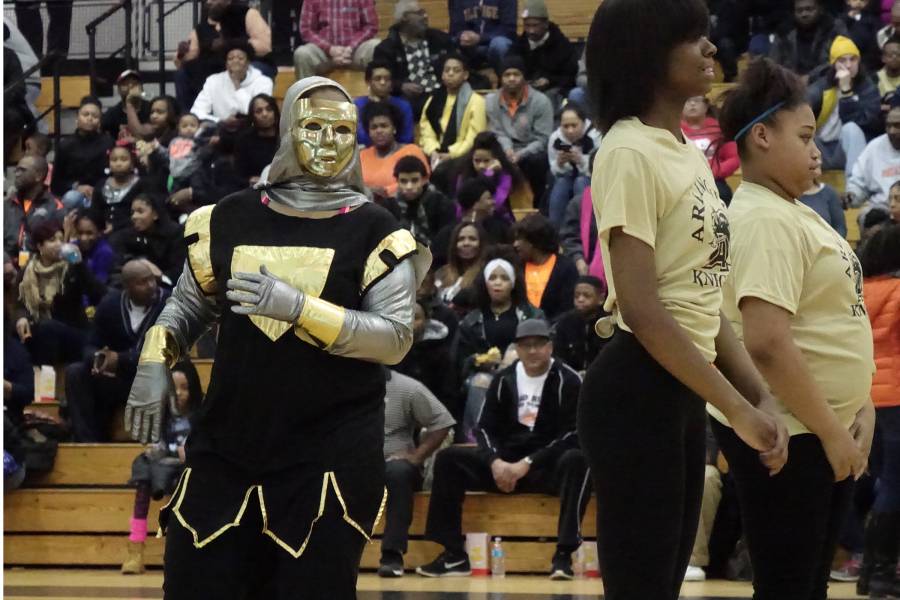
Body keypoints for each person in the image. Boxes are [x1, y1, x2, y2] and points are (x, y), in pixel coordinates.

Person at [123, 77, 427, 598]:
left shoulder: (378, 229)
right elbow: (186, 307)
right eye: (313, 127)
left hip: (329, 452)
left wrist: (299, 308)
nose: (329, 142)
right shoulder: (228, 217)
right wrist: (154, 358)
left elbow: (395, 338)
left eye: (341, 130)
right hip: (226, 444)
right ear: (288, 130)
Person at [579, 4, 789, 600]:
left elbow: (704, 302)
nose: (709, 51)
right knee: (643, 583)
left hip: (680, 385)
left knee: (664, 583)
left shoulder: (687, 154)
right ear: (648, 53)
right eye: (691, 39)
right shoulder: (626, 151)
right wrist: (739, 411)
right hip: (636, 386)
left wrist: (760, 395)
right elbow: (644, 309)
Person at [713, 57, 875, 600]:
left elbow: (834, 318)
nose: (816, 152)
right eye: (804, 136)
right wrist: (833, 431)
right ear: (761, 136)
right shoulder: (761, 218)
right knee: (788, 589)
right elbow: (765, 341)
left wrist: (862, 406)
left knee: (807, 588)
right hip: (794, 433)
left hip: (822, 429)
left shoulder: (795, 211)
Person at [417, 318, 590, 580]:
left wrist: (528, 463)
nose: (532, 351)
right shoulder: (503, 379)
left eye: (539, 345)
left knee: (578, 460)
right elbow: (483, 429)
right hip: (504, 466)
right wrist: (495, 463)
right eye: (526, 345)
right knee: (449, 458)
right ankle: (454, 554)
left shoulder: (569, 380)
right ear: (517, 349)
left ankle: (564, 554)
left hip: (545, 468)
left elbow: (573, 434)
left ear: (550, 347)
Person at [65, 259, 169, 442]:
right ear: (127, 287)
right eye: (142, 282)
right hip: (120, 379)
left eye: (151, 280)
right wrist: (98, 358)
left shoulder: (168, 304)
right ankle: (88, 444)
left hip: (154, 377)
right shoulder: (110, 304)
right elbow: (90, 344)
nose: (151, 286)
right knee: (75, 372)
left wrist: (121, 359)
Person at [121, 359, 202, 574]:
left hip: (186, 469)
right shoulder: (163, 415)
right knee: (143, 470)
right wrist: (154, 449)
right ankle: (135, 549)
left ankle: (180, 551)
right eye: (174, 388)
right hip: (164, 464)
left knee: (183, 484)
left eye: (184, 388)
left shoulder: (199, 416)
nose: (179, 393)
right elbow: (159, 443)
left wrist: (192, 451)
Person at [378, 368, 456, 577]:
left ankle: (392, 554)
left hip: (393, 463)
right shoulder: (343, 388)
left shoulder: (407, 387)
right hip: (352, 463)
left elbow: (442, 422)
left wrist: (416, 456)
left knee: (399, 472)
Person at [857, 223, 900, 600]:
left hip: (868, 397)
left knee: (882, 483)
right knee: (895, 486)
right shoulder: (899, 292)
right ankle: (884, 574)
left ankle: (869, 572)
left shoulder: (858, 291)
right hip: (898, 396)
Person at [16, 220, 106, 366]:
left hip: (75, 332)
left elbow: (98, 295)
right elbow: (18, 304)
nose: (59, 244)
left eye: (61, 239)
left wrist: (80, 265)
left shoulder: (73, 268)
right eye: (52, 240)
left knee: (47, 327)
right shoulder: (27, 272)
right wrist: (21, 318)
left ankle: (48, 381)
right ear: (40, 246)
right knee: (18, 334)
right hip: (42, 330)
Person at [174, 0, 272, 111]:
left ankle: (253, 113)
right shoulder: (201, 28)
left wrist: (228, 44)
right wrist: (181, 53)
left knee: (252, 67)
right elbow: (185, 59)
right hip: (215, 67)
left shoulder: (248, 14)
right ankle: (188, 119)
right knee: (182, 73)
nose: (209, 2)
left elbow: (264, 46)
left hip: (250, 62)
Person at [807, 36, 881, 176]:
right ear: (833, 64)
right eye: (842, 60)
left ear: (859, 61)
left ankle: (854, 187)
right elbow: (803, 109)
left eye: (853, 59)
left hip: (854, 149)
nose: (848, 65)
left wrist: (846, 92)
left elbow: (866, 122)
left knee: (851, 129)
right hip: (821, 149)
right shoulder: (822, 86)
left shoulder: (868, 88)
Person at [486, 55, 554, 204]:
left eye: (516, 74)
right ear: (500, 77)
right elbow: (497, 132)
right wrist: (508, 150)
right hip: (504, 149)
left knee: (538, 161)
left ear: (524, 77)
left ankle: (539, 205)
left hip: (531, 150)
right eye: (507, 75)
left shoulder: (541, 101)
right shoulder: (491, 101)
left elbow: (542, 138)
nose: (511, 79)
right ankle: (497, 207)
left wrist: (520, 154)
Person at [373, 0, 453, 116]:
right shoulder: (386, 49)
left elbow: (456, 61)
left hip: (441, 91)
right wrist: (401, 86)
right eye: (419, 13)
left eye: (424, 12)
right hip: (409, 98)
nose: (425, 16)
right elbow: (379, 80)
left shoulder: (440, 39)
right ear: (405, 17)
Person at [419, 53, 488, 167]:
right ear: (442, 75)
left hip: (464, 156)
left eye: (456, 70)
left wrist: (452, 154)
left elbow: (474, 137)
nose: (450, 73)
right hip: (435, 154)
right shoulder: (433, 99)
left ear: (465, 75)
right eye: (447, 70)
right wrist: (433, 150)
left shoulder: (476, 101)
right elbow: (426, 130)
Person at [395, 300, 459, 418]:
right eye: (403, 316)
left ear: (426, 321)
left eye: (415, 318)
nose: (409, 323)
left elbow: (448, 394)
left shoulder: (439, 353)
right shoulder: (388, 349)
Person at [51, 97, 115, 211]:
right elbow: (56, 184)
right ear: (77, 117)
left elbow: (113, 175)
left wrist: (97, 189)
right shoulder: (65, 145)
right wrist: (76, 187)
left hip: (102, 192)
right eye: (86, 114)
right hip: (75, 194)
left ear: (100, 121)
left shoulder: (108, 143)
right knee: (71, 198)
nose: (90, 118)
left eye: (95, 116)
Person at [512, 214, 579, 322]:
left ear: (533, 241)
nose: (515, 244)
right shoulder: (516, 267)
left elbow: (568, 308)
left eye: (520, 239)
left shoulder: (565, 267)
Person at [109, 194, 186, 287]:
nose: (134, 216)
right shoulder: (127, 235)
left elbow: (179, 270)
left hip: (168, 287)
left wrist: (160, 277)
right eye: (132, 212)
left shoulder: (175, 233)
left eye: (140, 211)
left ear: (155, 214)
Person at [294, 0, 380, 81]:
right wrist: (330, 49)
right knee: (302, 53)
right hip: (324, 54)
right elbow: (306, 30)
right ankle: (306, 94)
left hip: (354, 52)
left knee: (377, 46)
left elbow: (371, 26)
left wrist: (351, 47)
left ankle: (377, 95)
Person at [359, 101, 430, 199]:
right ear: (369, 132)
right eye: (374, 127)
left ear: (394, 128)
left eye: (384, 126)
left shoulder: (411, 151)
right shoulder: (362, 155)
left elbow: (423, 180)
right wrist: (370, 192)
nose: (379, 131)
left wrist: (385, 192)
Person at [512, 0, 578, 104]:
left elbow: (570, 76)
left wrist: (549, 80)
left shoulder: (561, 45)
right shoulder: (519, 45)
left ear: (546, 24)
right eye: (527, 25)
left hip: (554, 91)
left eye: (535, 25)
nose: (531, 31)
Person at [191, 42, 274, 124]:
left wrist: (237, 85)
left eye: (240, 58)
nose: (235, 61)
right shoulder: (213, 81)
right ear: (226, 64)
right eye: (231, 58)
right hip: (222, 129)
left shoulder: (263, 81)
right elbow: (196, 111)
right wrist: (220, 121)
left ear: (248, 62)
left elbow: (258, 112)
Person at [547, 103, 602, 227]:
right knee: (560, 185)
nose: (570, 130)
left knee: (581, 182)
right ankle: (555, 232)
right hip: (566, 177)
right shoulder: (555, 138)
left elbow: (601, 169)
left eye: (574, 125)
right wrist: (560, 163)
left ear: (583, 123)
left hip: (592, 178)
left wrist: (581, 160)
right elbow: (553, 169)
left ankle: (586, 229)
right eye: (565, 126)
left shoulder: (596, 135)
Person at [455, 131, 532, 218]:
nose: (481, 166)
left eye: (486, 161)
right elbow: (459, 210)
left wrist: (489, 174)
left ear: (496, 160)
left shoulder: (505, 176)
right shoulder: (464, 176)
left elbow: (496, 205)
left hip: (498, 222)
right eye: (477, 160)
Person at [681, 95, 741, 205]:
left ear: (706, 106)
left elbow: (733, 157)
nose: (692, 104)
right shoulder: (674, 130)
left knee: (723, 194)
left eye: (697, 101)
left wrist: (714, 171)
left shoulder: (720, 129)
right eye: (688, 100)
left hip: (714, 180)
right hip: (683, 181)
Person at [388, 155, 456, 248]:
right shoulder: (390, 206)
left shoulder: (441, 204)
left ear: (424, 179)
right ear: (397, 181)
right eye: (403, 181)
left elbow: (445, 239)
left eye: (414, 180)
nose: (409, 187)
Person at [4, 155, 63, 258]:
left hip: (38, 265)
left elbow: (58, 245)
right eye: (16, 170)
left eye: (22, 170)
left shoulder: (55, 207)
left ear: (38, 176)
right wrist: (5, 261)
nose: (17, 174)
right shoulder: (6, 205)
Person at [845, 105, 900, 216]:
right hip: (882, 211)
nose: (892, 131)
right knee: (865, 216)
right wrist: (852, 195)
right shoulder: (874, 147)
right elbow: (859, 183)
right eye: (888, 126)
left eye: (897, 125)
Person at [770, 0, 848, 75]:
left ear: (820, 9)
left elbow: (844, 59)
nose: (804, 14)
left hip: (825, 78)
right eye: (799, 11)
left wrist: (811, 77)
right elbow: (774, 64)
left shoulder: (834, 27)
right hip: (791, 80)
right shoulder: (784, 32)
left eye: (809, 9)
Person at [552, 275, 608, 374]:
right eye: (577, 295)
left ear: (601, 299)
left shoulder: (608, 322)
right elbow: (558, 356)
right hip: (571, 377)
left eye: (587, 295)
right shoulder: (564, 322)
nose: (580, 299)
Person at [354, 61, 415, 147]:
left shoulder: (403, 106)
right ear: (368, 82)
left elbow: (407, 138)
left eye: (387, 79)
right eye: (378, 78)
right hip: (365, 153)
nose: (383, 82)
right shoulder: (357, 105)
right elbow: (360, 138)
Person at [91, 142, 144, 232]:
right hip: (103, 232)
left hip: (131, 231)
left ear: (132, 163)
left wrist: (116, 227)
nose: (118, 164)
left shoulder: (141, 185)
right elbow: (95, 213)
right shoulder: (101, 185)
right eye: (114, 160)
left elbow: (143, 215)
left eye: (123, 160)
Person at [448, 0, 516, 72]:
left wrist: (480, 38)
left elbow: (509, 29)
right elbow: (455, 29)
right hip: (469, 45)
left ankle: (503, 77)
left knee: (500, 44)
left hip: (494, 44)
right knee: (450, 42)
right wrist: (463, 35)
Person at [434, 222, 489, 303]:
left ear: (481, 244)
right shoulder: (441, 273)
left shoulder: (487, 274)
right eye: (461, 239)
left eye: (472, 239)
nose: (466, 243)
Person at [235, 94, 279, 186]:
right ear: (252, 116)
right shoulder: (244, 140)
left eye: (269, 109)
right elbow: (237, 175)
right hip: (256, 190)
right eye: (259, 111)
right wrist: (250, 180)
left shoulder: (286, 136)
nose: (265, 114)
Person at [69, 208, 116, 286]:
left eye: (89, 233)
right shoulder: (73, 247)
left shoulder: (104, 252)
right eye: (80, 233)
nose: (83, 238)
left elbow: (98, 289)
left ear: (100, 232)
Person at [102, 70, 152, 141]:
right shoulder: (112, 113)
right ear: (119, 90)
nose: (130, 86)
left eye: (135, 83)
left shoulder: (151, 108)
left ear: (142, 88)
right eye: (125, 84)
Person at [838, 0, 883, 69]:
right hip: (843, 58)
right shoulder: (840, 19)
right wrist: (848, 18)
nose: (859, 2)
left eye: (863, 0)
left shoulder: (872, 21)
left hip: (866, 62)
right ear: (847, 1)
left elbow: (875, 44)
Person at [877, 35, 900, 106]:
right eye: (890, 55)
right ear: (883, 58)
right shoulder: (874, 79)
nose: (894, 57)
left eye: (898, 54)